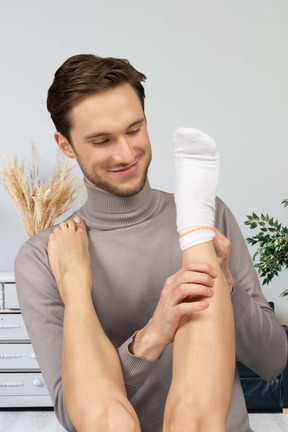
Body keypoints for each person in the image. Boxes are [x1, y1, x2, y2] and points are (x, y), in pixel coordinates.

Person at [15, 54, 287, 432]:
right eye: (101, 140)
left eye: (134, 129)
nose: (126, 154)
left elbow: (273, 362)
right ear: (65, 145)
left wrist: (229, 290)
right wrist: (154, 334)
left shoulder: (214, 216)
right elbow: (75, 416)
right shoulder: (48, 255)